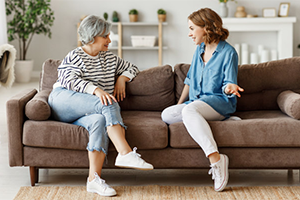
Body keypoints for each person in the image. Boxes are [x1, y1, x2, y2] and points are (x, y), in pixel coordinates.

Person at [48, 15, 153, 197]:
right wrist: (96, 90)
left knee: (99, 121)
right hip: (63, 101)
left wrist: (121, 78)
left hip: (89, 110)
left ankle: (93, 180)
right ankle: (125, 152)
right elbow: (68, 79)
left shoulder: (110, 59)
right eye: (105, 36)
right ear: (92, 36)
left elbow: (133, 67)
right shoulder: (75, 55)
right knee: (107, 101)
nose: (109, 40)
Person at [161, 8, 244, 192]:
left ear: (206, 28)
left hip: (219, 101)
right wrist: (179, 104)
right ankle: (220, 121)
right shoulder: (199, 50)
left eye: (192, 28)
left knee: (189, 111)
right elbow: (189, 80)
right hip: (197, 103)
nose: (189, 34)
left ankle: (216, 159)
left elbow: (229, 82)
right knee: (167, 114)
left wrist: (230, 87)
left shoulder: (228, 52)